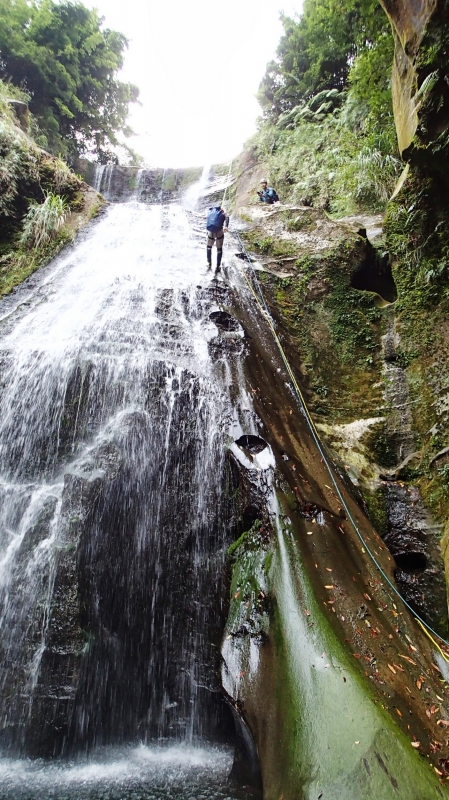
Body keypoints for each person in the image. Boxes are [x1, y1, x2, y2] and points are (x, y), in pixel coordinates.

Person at [206, 205, 229, 269]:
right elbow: (227, 217)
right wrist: (226, 226)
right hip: (219, 231)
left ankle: (209, 262)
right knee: (219, 248)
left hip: (211, 231)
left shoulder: (210, 211)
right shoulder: (222, 213)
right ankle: (218, 265)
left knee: (209, 247)